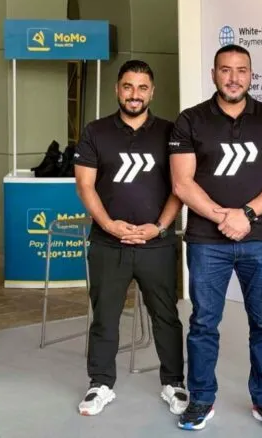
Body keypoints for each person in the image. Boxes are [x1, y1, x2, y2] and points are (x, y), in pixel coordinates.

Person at [169, 44, 262, 431]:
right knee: (204, 322)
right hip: (207, 241)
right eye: (226, 70)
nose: (234, 77)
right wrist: (224, 217)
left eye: (241, 70)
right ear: (213, 74)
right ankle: (201, 399)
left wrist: (248, 215)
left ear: (251, 75)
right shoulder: (190, 120)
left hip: (261, 240)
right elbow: (181, 182)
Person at [73, 59, 188, 417]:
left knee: (166, 315)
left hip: (157, 242)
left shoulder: (172, 132)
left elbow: (180, 187)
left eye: (142, 88)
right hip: (109, 243)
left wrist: (161, 226)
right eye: (127, 86)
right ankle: (100, 384)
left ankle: (174, 382)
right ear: (117, 90)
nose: (134, 94)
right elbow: (85, 185)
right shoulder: (95, 131)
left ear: (152, 91)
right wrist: (108, 224)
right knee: (105, 316)